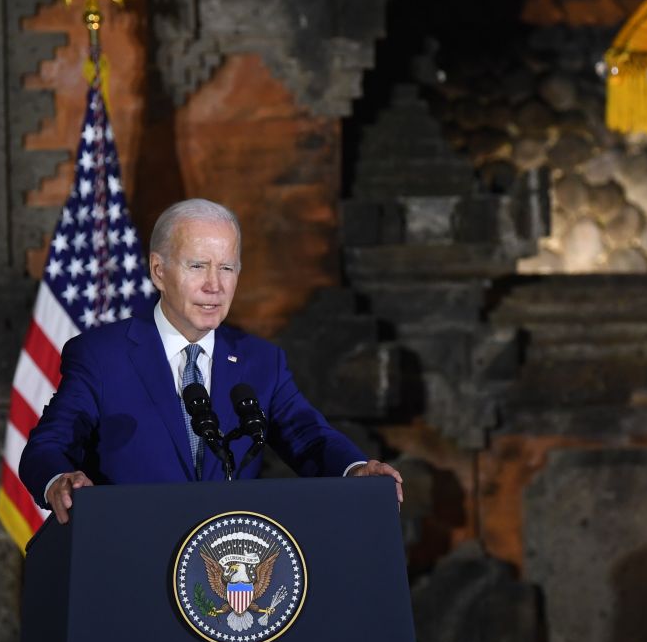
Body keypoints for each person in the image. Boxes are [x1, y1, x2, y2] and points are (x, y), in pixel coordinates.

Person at [20, 198, 402, 523]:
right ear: (158, 271)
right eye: (198, 266)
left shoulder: (261, 361)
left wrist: (355, 469)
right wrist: (59, 480)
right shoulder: (102, 355)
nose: (214, 286)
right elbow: (49, 444)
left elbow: (308, 437)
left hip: (226, 573)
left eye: (227, 268)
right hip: (130, 555)